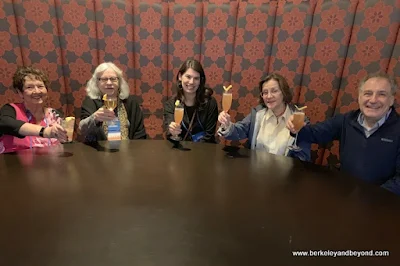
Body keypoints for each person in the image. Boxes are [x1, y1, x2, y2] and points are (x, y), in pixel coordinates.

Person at [286, 72, 400, 195]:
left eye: (382, 94)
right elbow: (314, 134)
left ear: (391, 99)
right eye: (368, 93)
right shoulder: (346, 120)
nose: (373, 100)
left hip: (382, 203)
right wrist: (296, 128)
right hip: (345, 195)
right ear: (359, 97)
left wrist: (374, 196)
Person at [217, 73, 311, 161]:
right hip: (255, 170)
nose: (269, 96)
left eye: (274, 91)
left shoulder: (299, 119)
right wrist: (227, 124)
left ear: (284, 92)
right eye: (265, 92)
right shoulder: (258, 114)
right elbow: (239, 131)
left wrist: (300, 134)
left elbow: (304, 158)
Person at [0, 66, 67, 153]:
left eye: (40, 86)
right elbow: (5, 123)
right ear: (20, 93)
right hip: (16, 164)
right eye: (30, 87)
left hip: (51, 164)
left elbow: (67, 142)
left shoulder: (54, 114)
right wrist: (45, 131)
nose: (37, 91)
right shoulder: (11, 109)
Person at [79, 62, 146, 142]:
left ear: (119, 81)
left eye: (113, 79)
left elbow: (140, 134)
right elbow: (82, 129)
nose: (109, 83)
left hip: (129, 150)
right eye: (104, 79)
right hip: (99, 152)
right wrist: (94, 118)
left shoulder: (131, 102)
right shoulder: (90, 102)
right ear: (97, 83)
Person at [164, 59, 218, 143]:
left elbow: (209, 136)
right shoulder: (171, 104)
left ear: (200, 81)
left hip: (204, 150)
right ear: (180, 76)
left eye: (196, 78)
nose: (191, 82)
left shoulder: (210, 103)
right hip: (180, 150)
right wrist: (172, 132)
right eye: (188, 77)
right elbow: (169, 134)